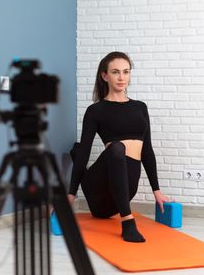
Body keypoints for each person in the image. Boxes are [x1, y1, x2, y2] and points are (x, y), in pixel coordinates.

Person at [67, 51, 173, 242]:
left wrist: (157, 191)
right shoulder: (95, 111)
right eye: (115, 72)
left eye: (126, 71)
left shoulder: (140, 107)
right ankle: (128, 223)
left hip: (124, 189)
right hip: (98, 196)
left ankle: (79, 163)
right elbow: (86, 151)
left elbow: (147, 150)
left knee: (105, 150)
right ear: (104, 75)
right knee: (111, 148)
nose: (121, 77)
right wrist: (70, 194)